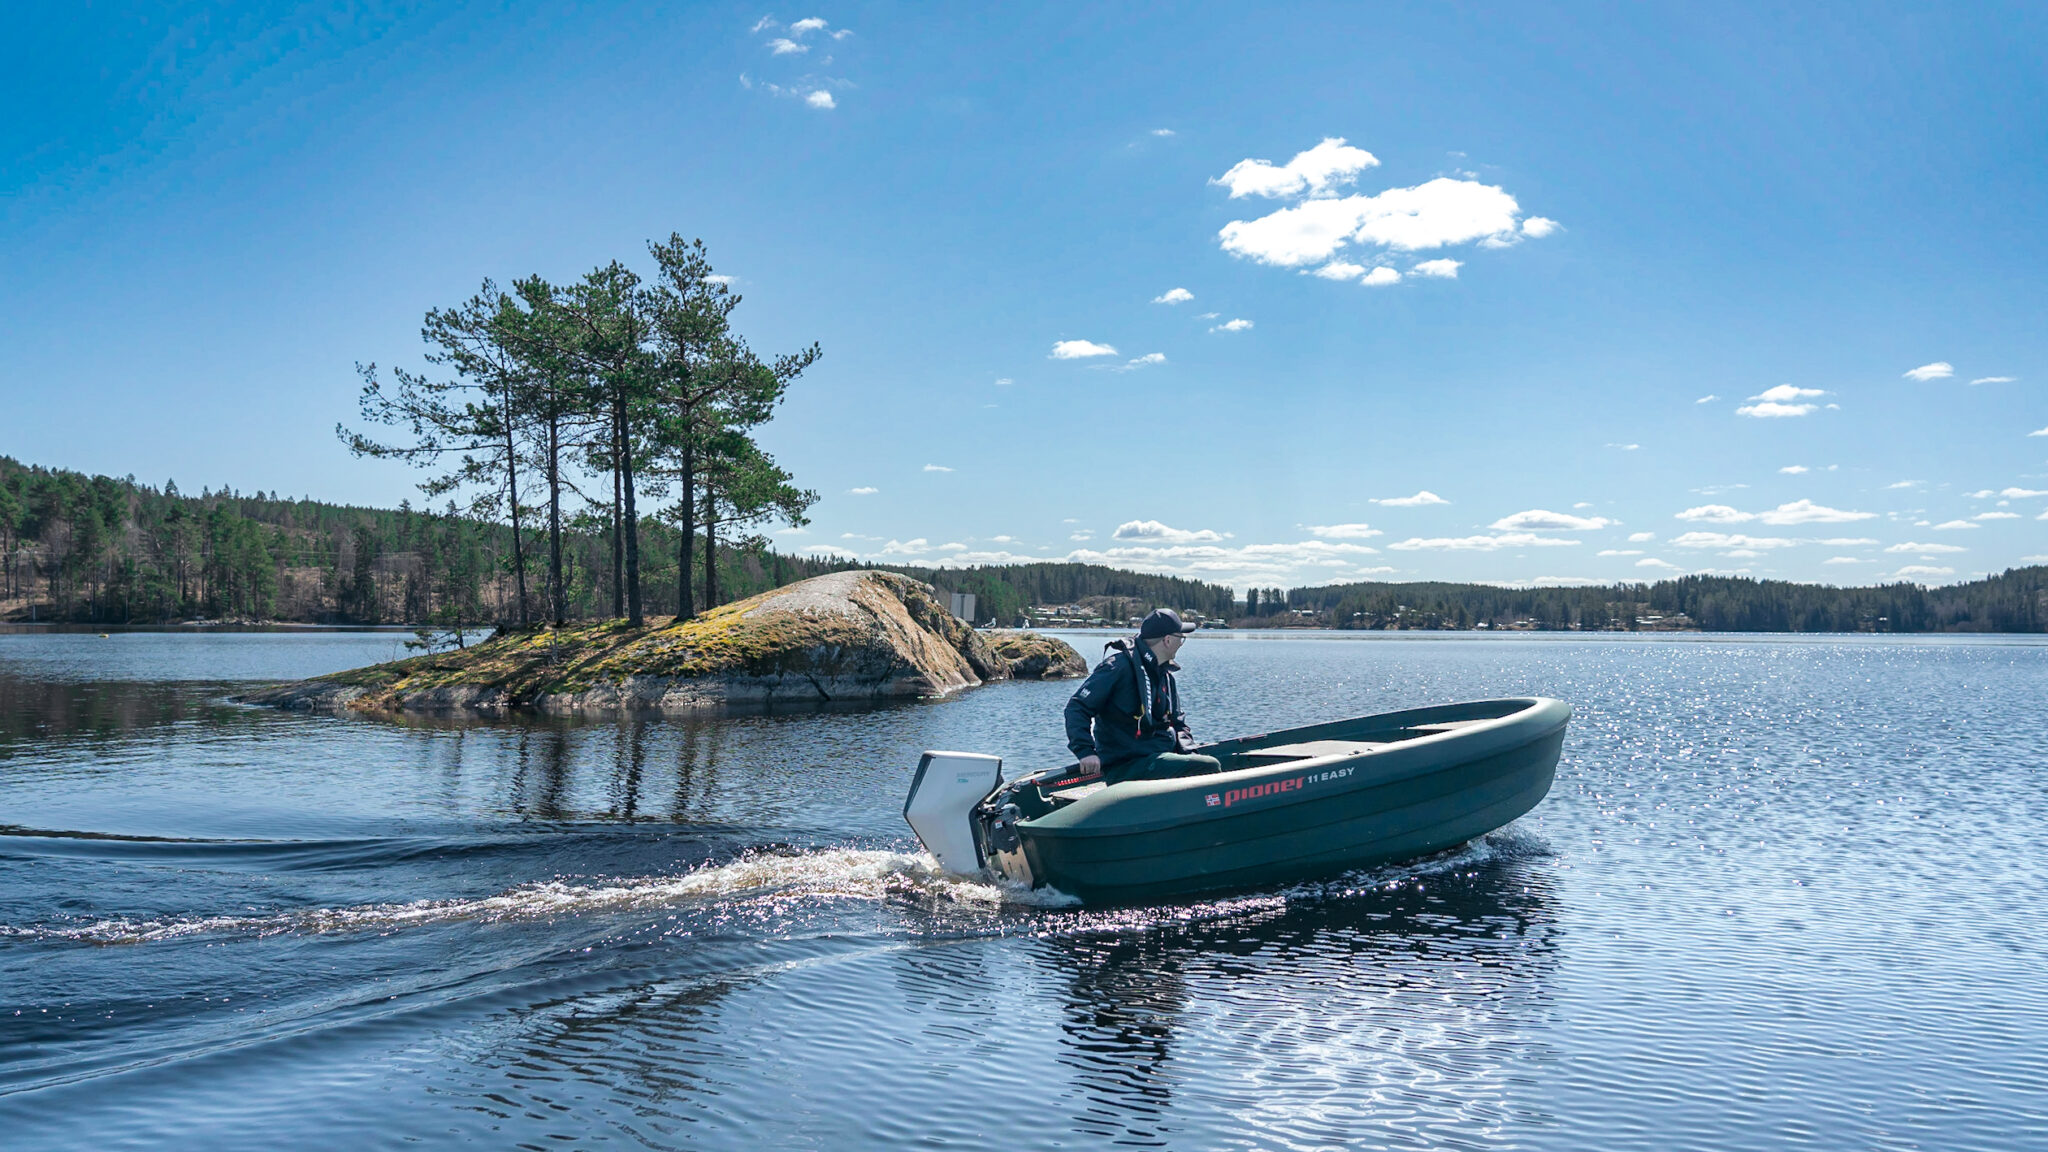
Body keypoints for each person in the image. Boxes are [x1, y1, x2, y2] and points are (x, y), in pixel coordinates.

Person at [1063, 608, 1224, 784]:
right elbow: (1077, 707)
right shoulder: (1117, 667)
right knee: (1209, 766)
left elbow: (1177, 723)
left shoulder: (1165, 674)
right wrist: (1086, 751)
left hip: (1157, 757)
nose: (1181, 643)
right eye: (1181, 638)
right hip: (1127, 766)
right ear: (1167, 640)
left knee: (1207, 762)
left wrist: (1190, 753)